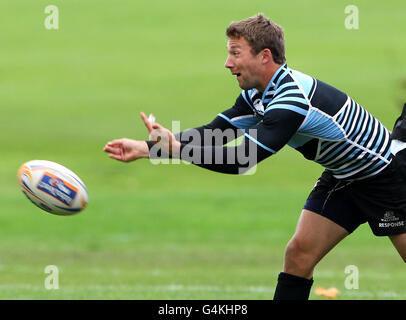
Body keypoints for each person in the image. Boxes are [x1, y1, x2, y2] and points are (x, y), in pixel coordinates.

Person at [104, 13, 406, 300]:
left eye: (236, 53)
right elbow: (216, 132)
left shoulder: (291, 100)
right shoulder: (259, 93)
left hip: (386, 176)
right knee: (299, 254)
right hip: (343, 176)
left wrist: (177, 150)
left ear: (264, 56)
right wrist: (146, 148)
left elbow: (241, 160)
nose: (227, 63)